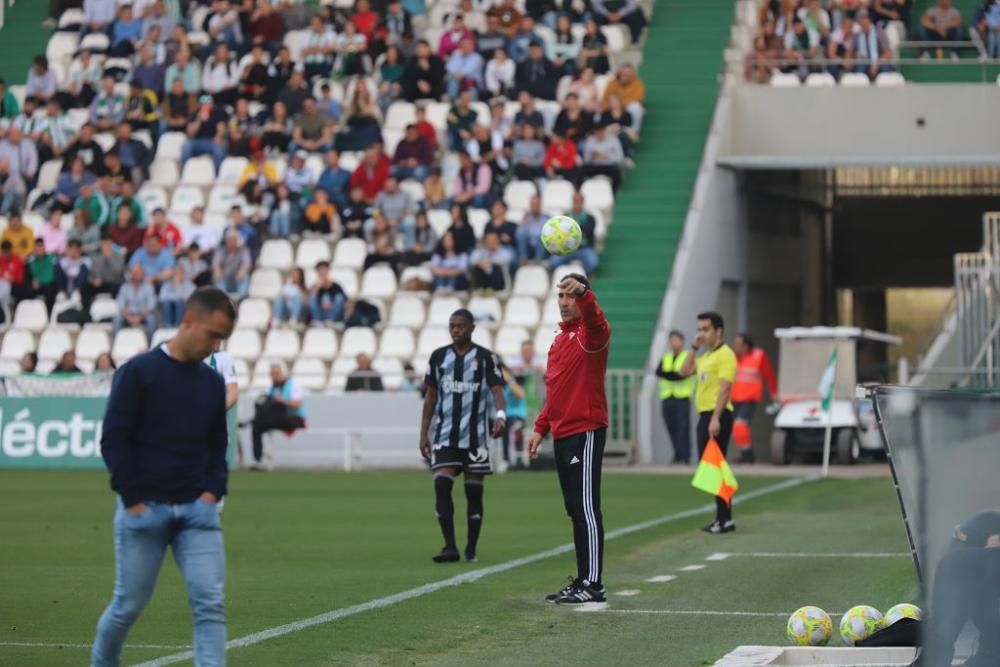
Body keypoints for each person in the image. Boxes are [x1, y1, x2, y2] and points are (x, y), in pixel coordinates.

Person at [91, 287, 235, 667]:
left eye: (222, 338)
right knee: (127, 607)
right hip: (144, 511)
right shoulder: (138, 373)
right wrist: (133, 500)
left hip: (197, 514)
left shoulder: (211, 382)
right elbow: (114, 441)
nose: (216, 345)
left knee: (210, 606)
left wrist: (211, 494)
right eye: (213, 335)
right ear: (189, 322)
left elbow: (216, 446)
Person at [527, 274, 610, 605]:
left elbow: (598, 322)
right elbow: (555, 391)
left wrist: (586, 294)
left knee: (587, 507)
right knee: (575, 508)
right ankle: (583, 579)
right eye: (560, 295)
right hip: (562, 432)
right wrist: (540, 427)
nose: (563, 302)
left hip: (585, 430)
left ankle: (593, 583)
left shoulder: (590, 336)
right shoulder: (560, 340)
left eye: (569, 296)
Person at [420, 308, 506, 563]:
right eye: (452, 325)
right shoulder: (438, 357)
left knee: (473, 493)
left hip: (475, 438)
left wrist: (500, 415)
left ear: (471, 328)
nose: (456, 329)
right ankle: (450, 547)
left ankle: (471, 548)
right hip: (445, 436)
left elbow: (497, 391)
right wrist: (423, 433)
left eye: (460, 325)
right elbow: (430, 397)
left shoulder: (485, 358)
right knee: (441, 484)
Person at [679, 311, 738, 534]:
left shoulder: (725, 355)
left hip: (717, 416)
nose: (701, 334)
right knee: (714, 467)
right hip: (706, 415)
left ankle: (724, 518)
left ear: (718, 331)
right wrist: (693, 348)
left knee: (716, 467)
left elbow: (725, 388)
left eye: (705, 329)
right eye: (699, 329)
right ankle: (724, 518)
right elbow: (683, 371)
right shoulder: (705, 356)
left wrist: (715, 418)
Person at [250, 362, 306, 470]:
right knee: (256, 427)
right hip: (277, 419)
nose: (274, 377)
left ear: (283, 373)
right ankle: (258, 461)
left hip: (295, 418)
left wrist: (283, 401)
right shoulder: (271, 388)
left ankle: (255, 421)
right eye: (272, 374)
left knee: (277, 407)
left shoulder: (293, 385)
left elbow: (297, 404)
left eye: (277, 373)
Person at [730, 333, 777, 464]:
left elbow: (769, 375)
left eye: (738, 344)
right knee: (735, 428)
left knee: (740, 426)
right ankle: (745, 455)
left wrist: (774, 394)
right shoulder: (732, 357)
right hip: (733, 399)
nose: (735, 346)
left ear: (745, 346)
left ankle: (747, 456)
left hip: (749, 399)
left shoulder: (758, 355)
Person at [654, 330, 695, 465]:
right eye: (671, 340)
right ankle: (677, 454)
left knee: (683, 427)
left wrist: (671, 375)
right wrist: (674, 375)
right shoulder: (666, 357)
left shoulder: (688, 356)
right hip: (667, 397)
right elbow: (658, 372)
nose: (673, 343)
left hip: (682, 396)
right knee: (671, 426)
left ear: (682, 341)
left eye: (676, 340)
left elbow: (682, 375)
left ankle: (685, 456)